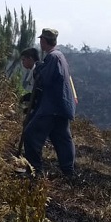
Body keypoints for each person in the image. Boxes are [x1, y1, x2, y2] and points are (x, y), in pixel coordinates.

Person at [22, 28, 76, 179]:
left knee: (30, 135)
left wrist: (38, 67)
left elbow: (44, 79)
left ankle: (35, 172)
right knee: (62, 139)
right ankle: (69, 173)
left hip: (51, 108)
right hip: (62, 107)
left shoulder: (52, 57)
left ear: (43, 41)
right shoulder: (60, 56)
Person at [19, 47, 40, 114]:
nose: (22, 62)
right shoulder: (36, 70)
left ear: (30, 59)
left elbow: (39, 94)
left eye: (24, 60)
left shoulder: (37, 71)